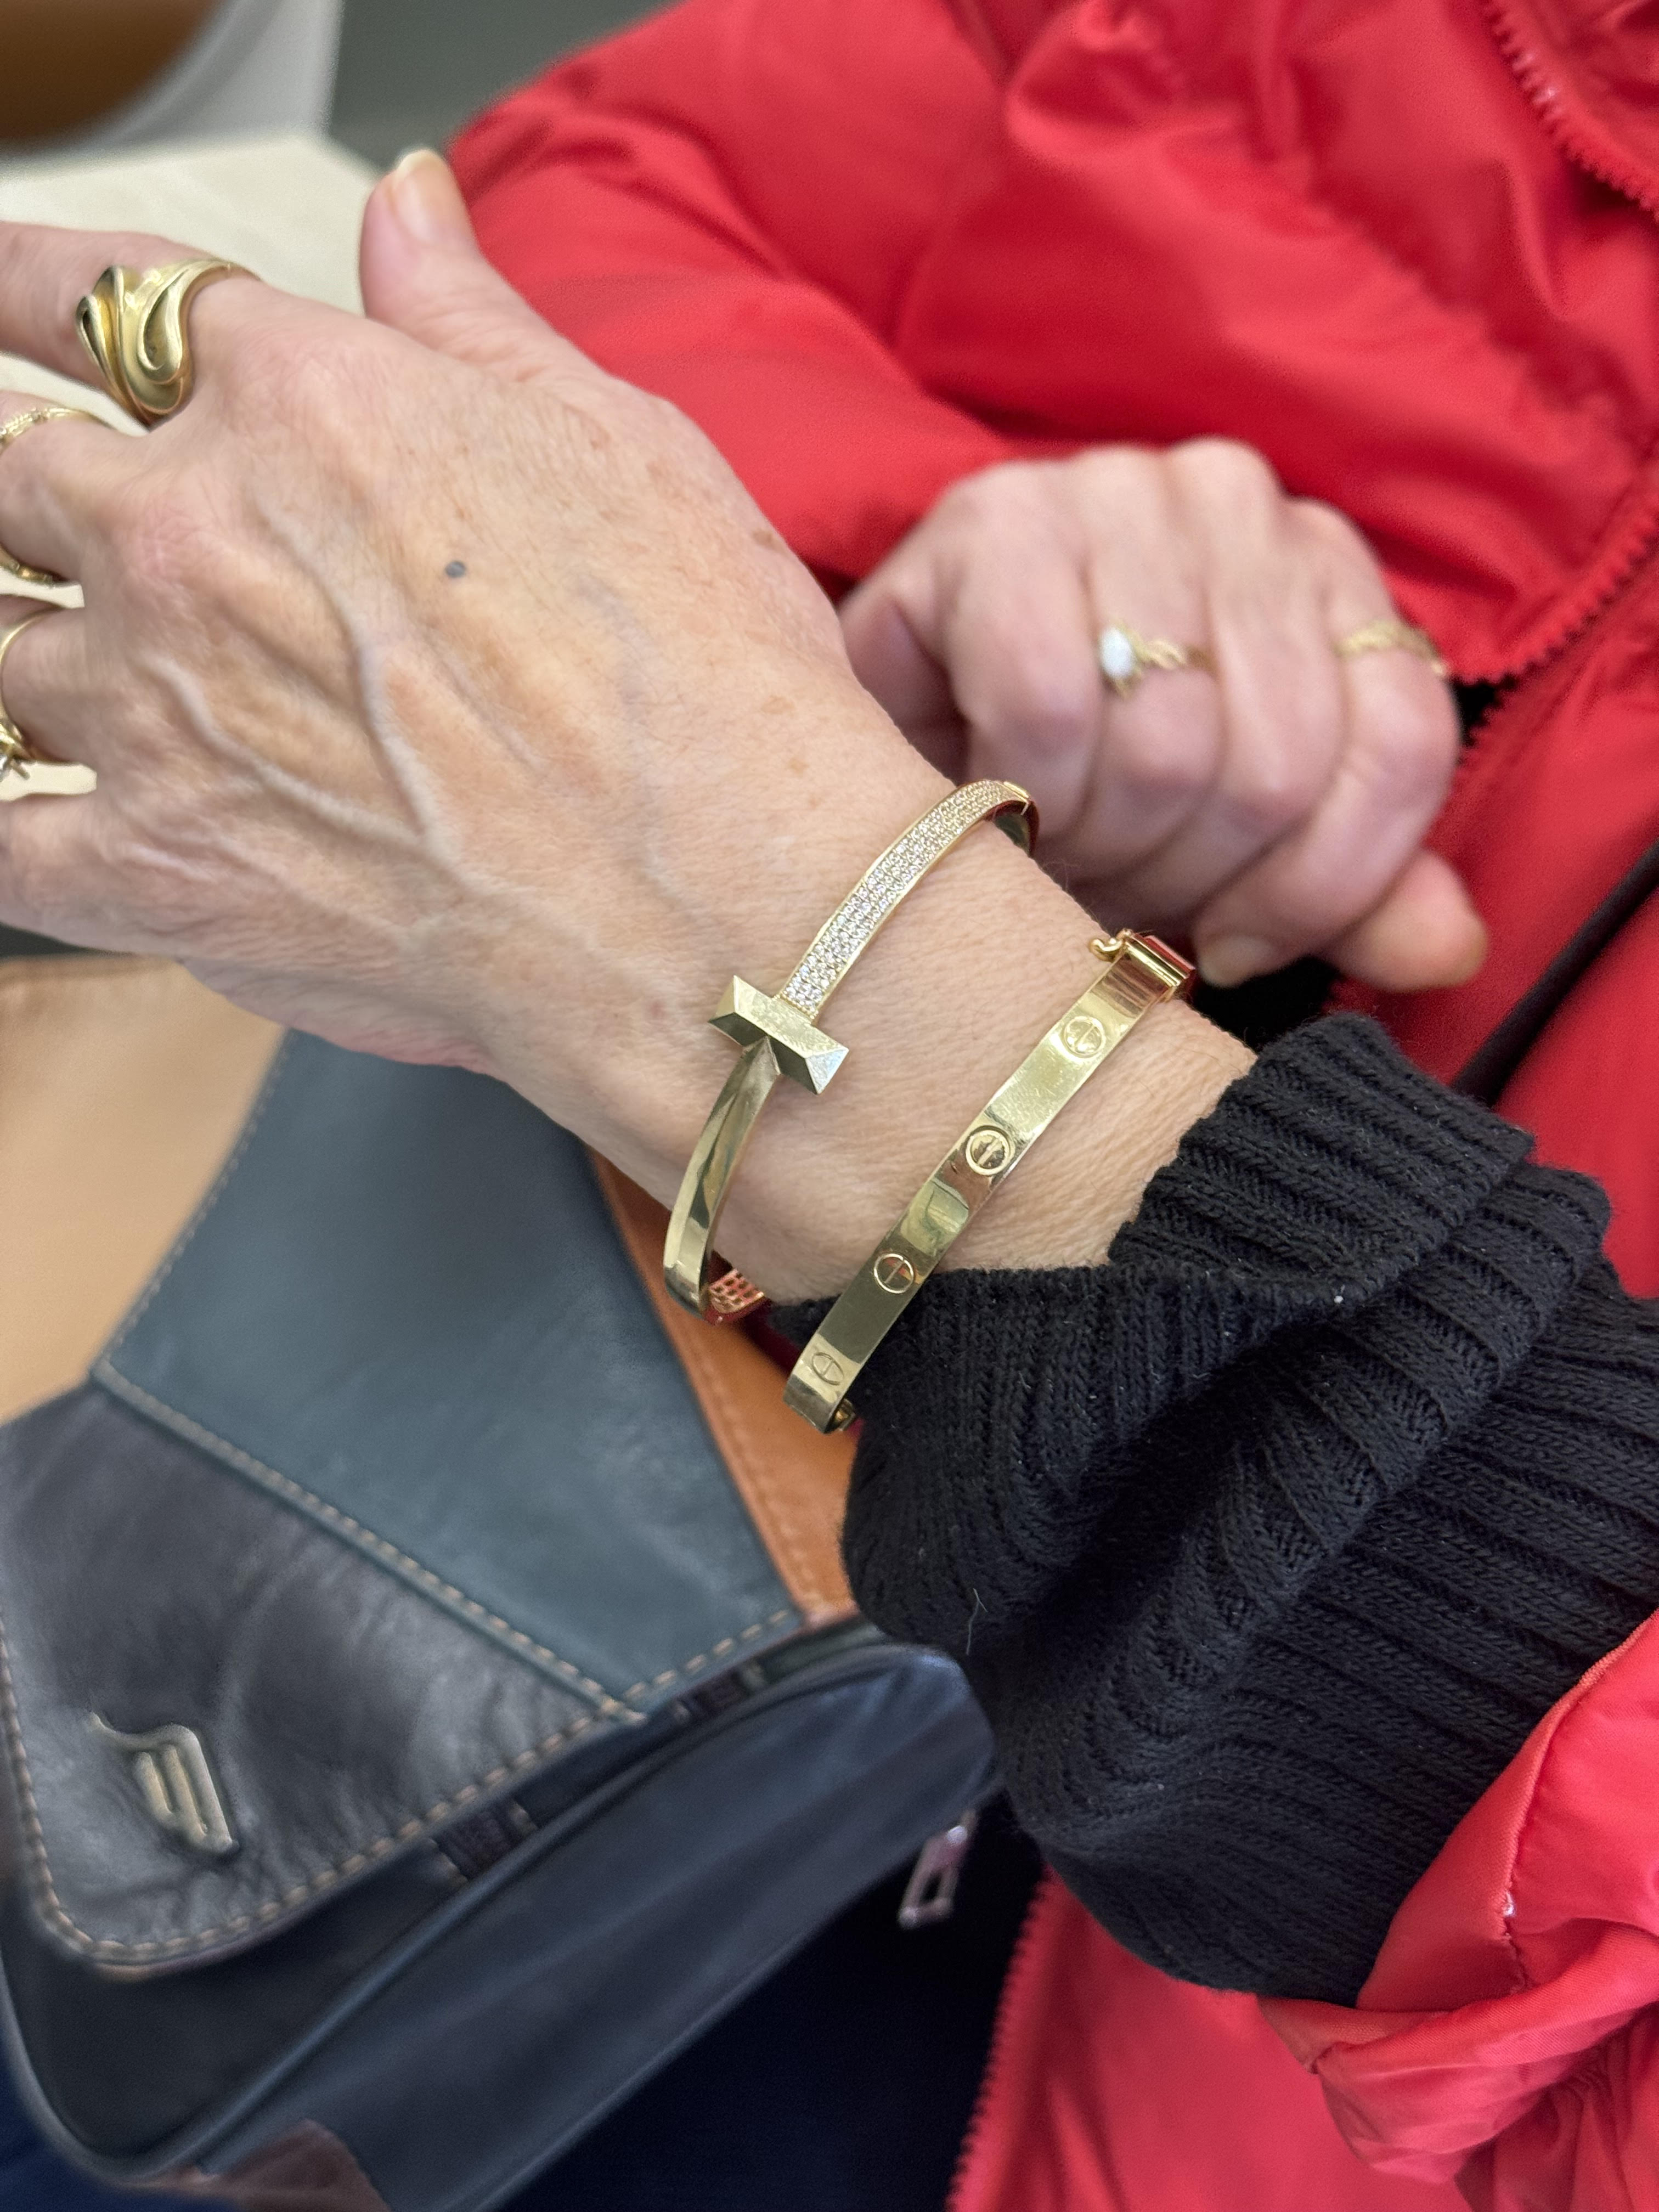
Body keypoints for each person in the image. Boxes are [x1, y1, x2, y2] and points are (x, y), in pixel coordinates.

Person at [0, 149, 1654, 2212]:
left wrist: (821, 912)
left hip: (1197, 2057)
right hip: (441, 1356)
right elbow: (604, 177)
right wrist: (938, 567)